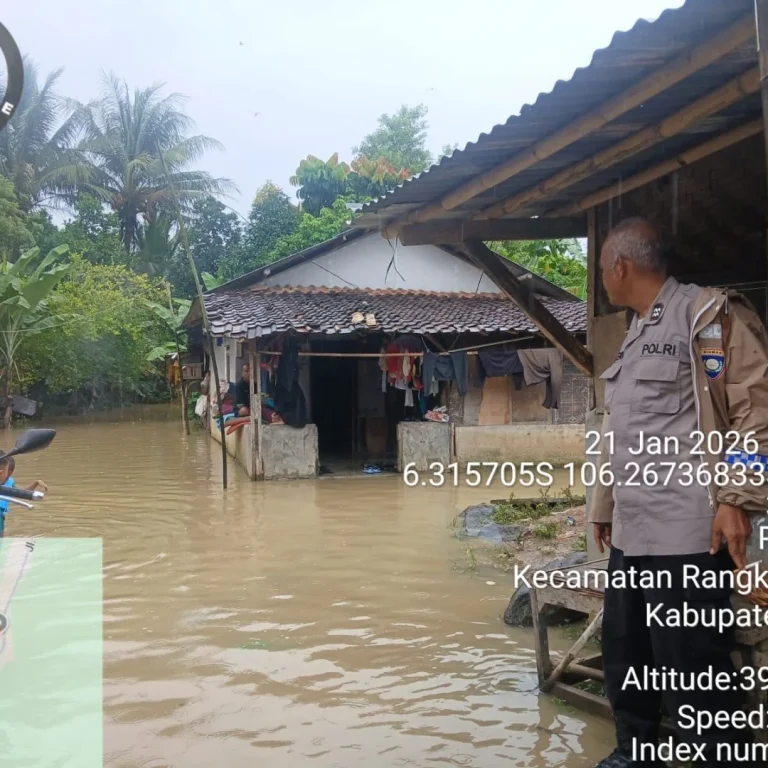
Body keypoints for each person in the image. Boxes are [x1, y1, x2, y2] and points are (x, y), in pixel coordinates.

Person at [589, 218, 766, 767]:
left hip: (687, 535)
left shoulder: (707, 316)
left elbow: (754, 413)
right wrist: (603, 506)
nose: (602, 279)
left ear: (620, 267)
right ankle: (634, 754)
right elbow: (621, 429)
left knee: (693, 666)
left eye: (602, 269)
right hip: (633, 534)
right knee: (627, 655)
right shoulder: (635, 331)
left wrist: (735, 499)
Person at [0, 456, 47, 538]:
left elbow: (22, 493)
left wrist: (35, 483)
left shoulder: (10, 482)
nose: (5, 478)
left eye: (8, 475)